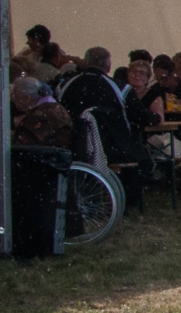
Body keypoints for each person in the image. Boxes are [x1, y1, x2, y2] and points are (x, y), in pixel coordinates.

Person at [57, 47, 143, 206]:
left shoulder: (65, 87)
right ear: (108, 66)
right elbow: (142, 116)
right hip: (115, 149)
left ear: (85, 62)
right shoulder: (120, 89)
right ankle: (130, 200)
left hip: (73, 147)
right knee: (143, 156)